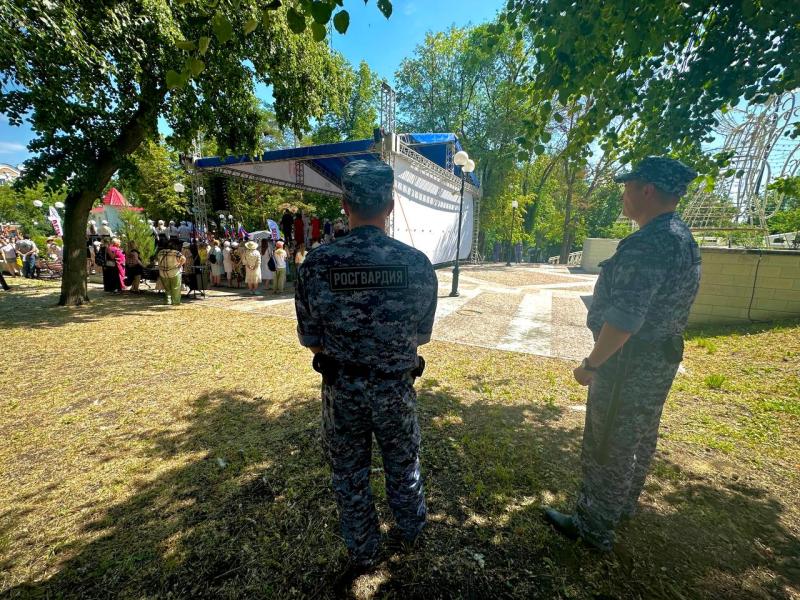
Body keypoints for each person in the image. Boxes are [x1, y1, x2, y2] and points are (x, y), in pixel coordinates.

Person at [543, 156, 701, 552]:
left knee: (609, 441)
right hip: (657, 359)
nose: (623, 194)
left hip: (628, 363)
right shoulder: (680, 235)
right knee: (638, 435)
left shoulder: (650, 243)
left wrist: (591, 364)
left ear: (647, 190)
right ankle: (621, 505)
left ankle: (594, 526)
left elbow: (626, 319)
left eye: (628, 186)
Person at [294, 160, 438, 573]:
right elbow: (421, 337)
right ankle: (411, 531)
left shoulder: (317, 265)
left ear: (345, 204)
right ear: (390, 206)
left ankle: (364, 550)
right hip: (395, 389)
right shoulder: (417, 265)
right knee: (403, 465)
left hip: (343, 392)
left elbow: (312, 339)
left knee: (350, 475)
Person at [156, 240, 186, 305]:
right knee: (176, 288)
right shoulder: (176, 253)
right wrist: (180, 265)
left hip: (163, 273)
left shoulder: (160, 252)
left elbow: (157, 260)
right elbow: (183, 259)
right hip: (174, 272)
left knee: (167, 289)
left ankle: (168, 301)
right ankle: (176, 301)